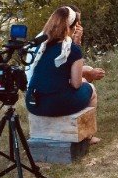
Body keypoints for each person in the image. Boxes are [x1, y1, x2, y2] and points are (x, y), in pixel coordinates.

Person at [25, 7, 99, 139]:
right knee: (90, 89)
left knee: (78, 83)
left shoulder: (40, 45)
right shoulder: (72, 49)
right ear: (72, 26)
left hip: (34, 104)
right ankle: (89, 136)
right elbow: (76, 84)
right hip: (56, 103)